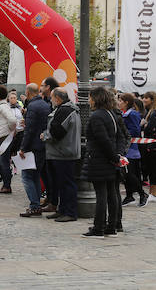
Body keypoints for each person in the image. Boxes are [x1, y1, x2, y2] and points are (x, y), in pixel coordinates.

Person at [82, 87, 120, 238]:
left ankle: (99, 228)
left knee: (102, 195)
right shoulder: (110, 114)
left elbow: (102, 139)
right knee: (111, 193)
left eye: (91, 97)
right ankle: (112, 226)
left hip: (100, 159)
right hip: (108, 158)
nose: (89, 100)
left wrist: (113, 156)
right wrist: (115, 156)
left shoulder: (97, 116)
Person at [41, 87, 80, 222]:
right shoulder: (67, 109)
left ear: (57, 98)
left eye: (52, 98)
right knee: (61, 184)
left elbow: (57, 132)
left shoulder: (65, 111)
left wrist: (45, 136)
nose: (51, 100)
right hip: (62, 152)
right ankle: (62, 210)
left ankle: (69, 212)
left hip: (63, 153)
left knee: (66, 184)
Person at [18, 83, 50, 217]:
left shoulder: (32, 106)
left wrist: (23, 148)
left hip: (33, 147)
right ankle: (36, 204)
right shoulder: (44, 104)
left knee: (27, 176)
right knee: (36, 176)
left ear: (28, 92)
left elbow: (29, 130)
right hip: (42, 146)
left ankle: (34, 205)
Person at [118, 93, 147, 207]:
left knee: (130, 173)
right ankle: (129, 195)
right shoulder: (123, 114)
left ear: (126, 102)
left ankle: (142, 193)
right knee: (125, 173)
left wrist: (123, 134)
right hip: (125, 147)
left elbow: (136, 130)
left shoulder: (132, 114)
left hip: (131, 148)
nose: (118, 103)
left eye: (120, 101)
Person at [0, 86, 16, 194]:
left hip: (3, 138)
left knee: (3, 162)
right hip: (1, 137)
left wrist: (10, 131)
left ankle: (6, 186)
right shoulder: (1, 107)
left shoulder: (3, 107)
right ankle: (6, 185)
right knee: (2, 162)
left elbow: (12, 120)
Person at [140, 91, 156, 202]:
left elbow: (148, 128)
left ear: (152, 99)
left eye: (146, 98)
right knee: (151, 169)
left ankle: (155, 194)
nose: (144, 100)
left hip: (154, 144)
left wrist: (144, 125)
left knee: (154, 169)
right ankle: (152, 192)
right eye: (143, 97)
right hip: (150, 143)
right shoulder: (150, 111)